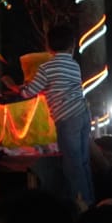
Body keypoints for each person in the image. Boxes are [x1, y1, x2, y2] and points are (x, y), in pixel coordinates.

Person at [20, 22, 94, 209]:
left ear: (48, 46)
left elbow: (29, 92)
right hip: (83, 114)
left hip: (67, 119)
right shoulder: (74, 65)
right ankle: (90, 201)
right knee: (83, 162)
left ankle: (80, 206)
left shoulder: (47, 68)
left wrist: (19, 88)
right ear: (72, 45)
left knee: (72, 164)